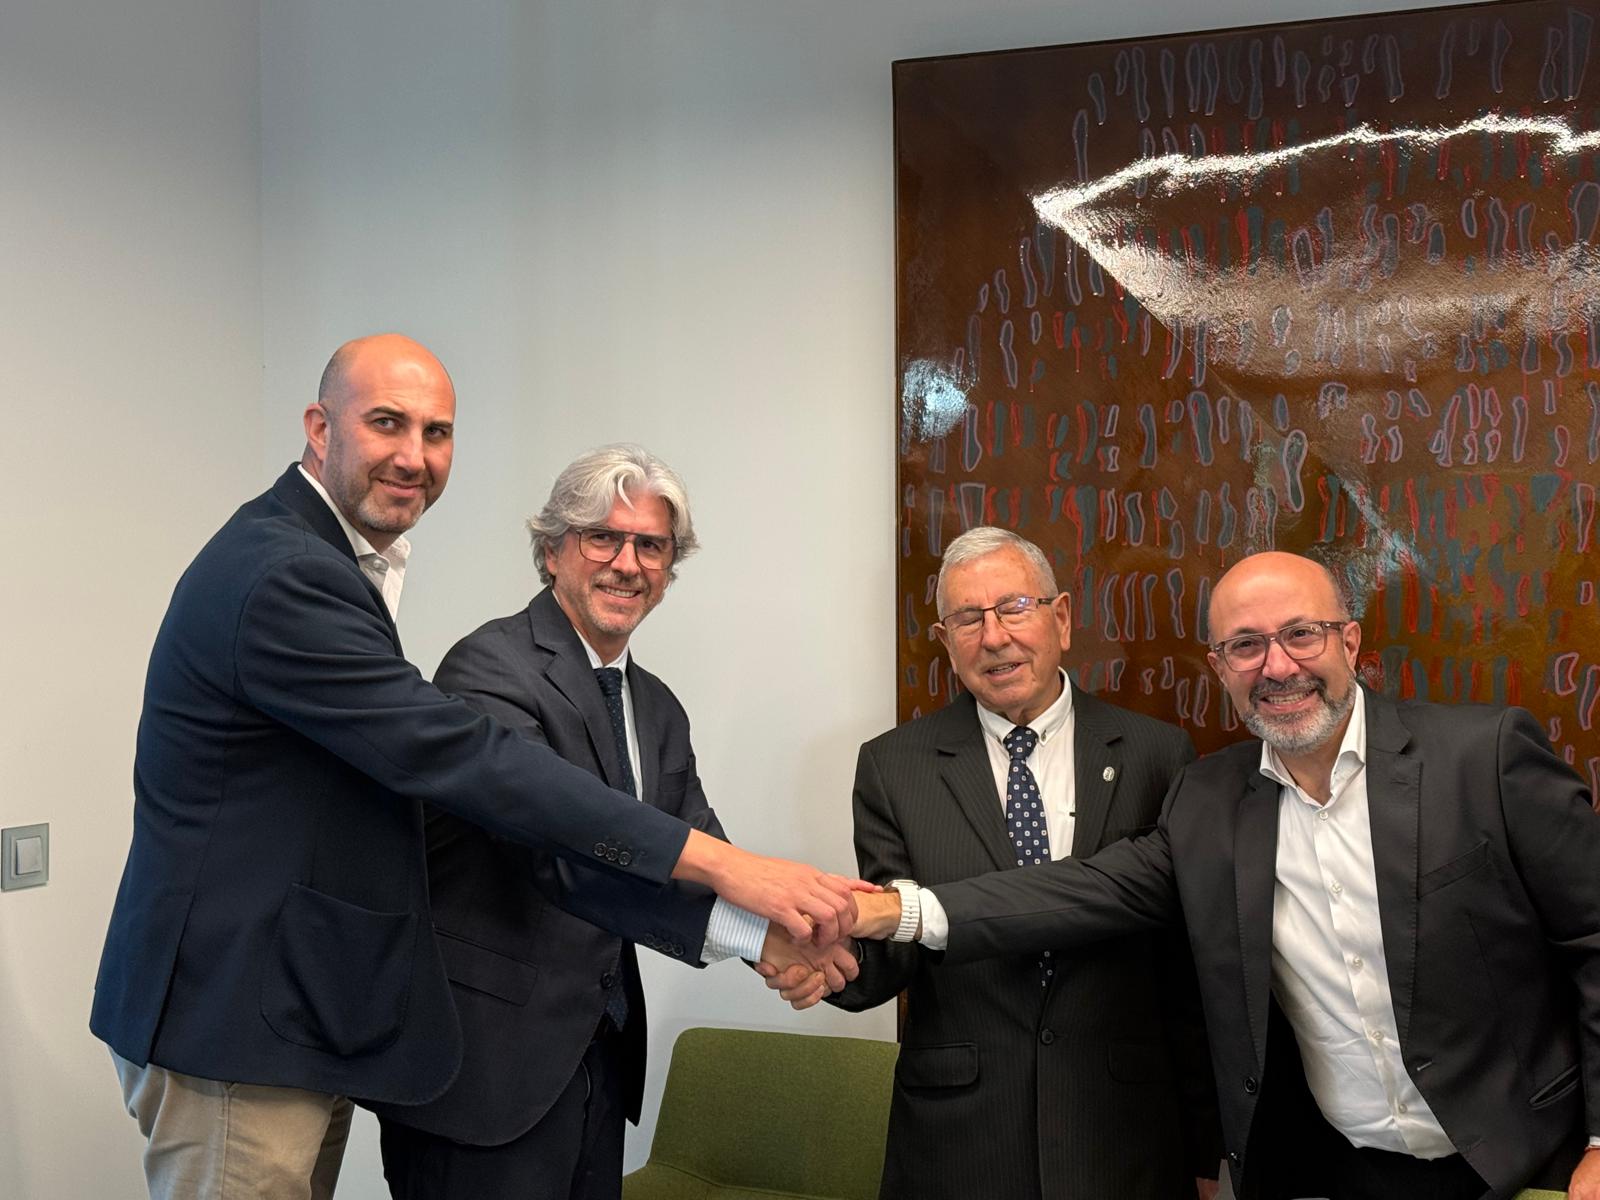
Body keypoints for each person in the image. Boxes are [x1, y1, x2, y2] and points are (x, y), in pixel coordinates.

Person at [92, 335, 858, 1200]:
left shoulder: (334, 564)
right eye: (387, 423)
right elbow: (473, 767)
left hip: (305, 1014)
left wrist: (787, 928)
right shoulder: (289, 573)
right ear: (319, 427)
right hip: (242, 1013)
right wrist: (734, 879)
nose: (414, 456)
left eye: (437, 432)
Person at [837, 550, 1600, 1200]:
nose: (1278, 666)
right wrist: (886, 913)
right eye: (1245, 645)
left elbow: (1595, 938)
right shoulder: (1209, 802)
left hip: (1531, 1163)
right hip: (1338, 1171)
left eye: (1301, 633)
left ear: (1349, 640)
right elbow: (1082, 890)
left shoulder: (1484, 757)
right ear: (1220, 667)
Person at [376, 444, 827, 1198]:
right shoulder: (487, 669)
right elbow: (563, 857)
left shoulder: (657, 706)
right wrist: (758, 934)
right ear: (553, 551)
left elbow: (701, 849)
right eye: (602, 538)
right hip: (484, 1075)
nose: (628, 563)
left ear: (670, 569)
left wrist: (794, 939)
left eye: (651, 545)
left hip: (599, 1061)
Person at [816, 527, 1218, 1199]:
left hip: (1123, 1130)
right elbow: (892, 946)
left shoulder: (1157, 753)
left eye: (1014, 608)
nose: (994, 637)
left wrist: (1203, 1144)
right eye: (967, 619)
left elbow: (1182, 971)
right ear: (944, 641)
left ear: (1061, 617)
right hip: (961, 1139)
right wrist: (823, 954)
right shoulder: (893, 767)